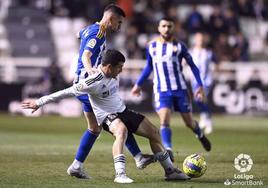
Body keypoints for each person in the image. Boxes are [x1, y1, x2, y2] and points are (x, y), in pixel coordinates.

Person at [22, 49, 190, 183]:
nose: (122, 70)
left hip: (122, 111)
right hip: (107, 116)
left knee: (154, 132)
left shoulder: (112, 73)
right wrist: (40, 102)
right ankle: (120, 174)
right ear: (109, 67)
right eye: (119, 67)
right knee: (121, 131)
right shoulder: (92, 82)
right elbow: (66, 92)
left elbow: (91, 57)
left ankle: (169, 171)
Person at [60, 4, 153, 179]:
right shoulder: (99, 33)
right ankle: (138, 158)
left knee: (94, 129)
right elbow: (86, 55)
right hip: (88, 87)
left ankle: (76, 166)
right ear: (110, 19)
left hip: (82, 85)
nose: (119, 27)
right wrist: (90, 70)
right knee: (119, 119)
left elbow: (78, 35)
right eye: (118, 23)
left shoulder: (89, 29)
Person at [131, 17, 211, 162]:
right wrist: (138, 84)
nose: (167, 29)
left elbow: (193, 66)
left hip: (180, 89)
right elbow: (149, 66)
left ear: (174, 28)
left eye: (169, 26)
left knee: (188, 122)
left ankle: (199, 134)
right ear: (159, 28)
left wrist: (199, 85)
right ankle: (168, 148)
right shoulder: (152, 47)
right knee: (164, 120)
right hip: (162, 90)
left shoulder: (180, 46)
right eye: (164, 26)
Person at [189, 32, 218, 134]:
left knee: (199, 99)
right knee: (199, 101)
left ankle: (208, 121)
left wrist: (213, 72)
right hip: (194, 81)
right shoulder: (191, 52)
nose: (200, 41)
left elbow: (217, 63)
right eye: (198, 39)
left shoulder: (209, 53)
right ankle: (205, 116)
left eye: (202, 39)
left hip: (205, 81)